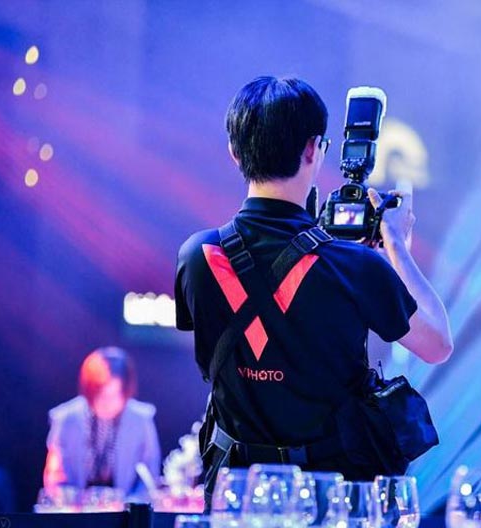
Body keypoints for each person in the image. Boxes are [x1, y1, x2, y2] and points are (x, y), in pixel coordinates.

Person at [174, 76, 452, 501]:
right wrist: (396, 246)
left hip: (234, 494)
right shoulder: (354, 265)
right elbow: (437, 344)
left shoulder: (197, 255)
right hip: (329, 498)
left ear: (234, 152)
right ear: (313, 149)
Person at [43, 347, 161, 498]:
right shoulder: (66, 418)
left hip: (126, 507)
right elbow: (54, 477)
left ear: (126, 391)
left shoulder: (141, 419)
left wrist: (130, 503)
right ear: (89, 390)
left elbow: (149, 478)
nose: (108, 403)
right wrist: (71, 500)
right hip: (77, 508)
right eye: (101, 395)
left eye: (115, 395)